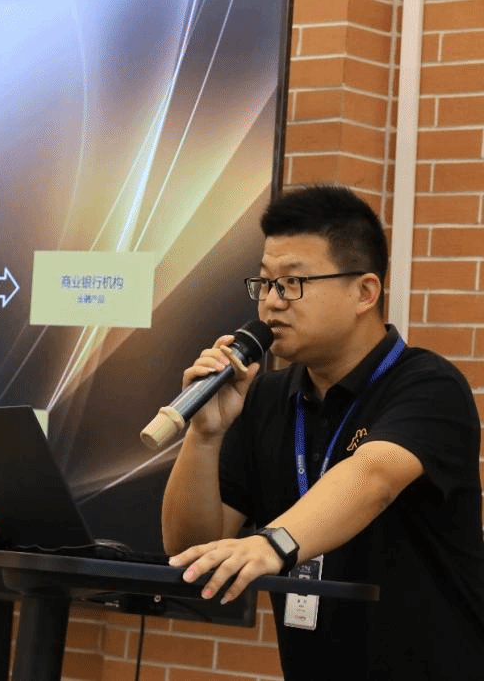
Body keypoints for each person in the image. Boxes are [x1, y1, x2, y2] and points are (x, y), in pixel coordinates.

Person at [160, 184, 484, 680]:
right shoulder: (263, 397)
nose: (271, 303)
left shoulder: (428, 385)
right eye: (265, 283)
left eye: (292, 283)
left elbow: (373, 477)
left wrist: (272, 543)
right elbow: (192, 550)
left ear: (364, 292)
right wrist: (205, 437)